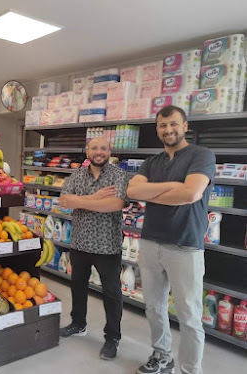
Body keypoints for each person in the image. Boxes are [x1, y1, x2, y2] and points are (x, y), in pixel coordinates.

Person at [127, 105, 215, 374]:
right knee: (153, 307)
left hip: (185, 245)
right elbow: (132, 190)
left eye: (174, 124)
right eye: (163, 126)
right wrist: (172, 187)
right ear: (157, 130)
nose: (169, 130)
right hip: (151, 242)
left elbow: (190, 195)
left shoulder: (202, 156)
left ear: (185, 126)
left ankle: (190, 369)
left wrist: (152, 193)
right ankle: (162, 355)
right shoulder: (152, 162)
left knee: (188, 316)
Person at [58, 137, 128, 360]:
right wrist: (94, 198)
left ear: (109, 151)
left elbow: (115, 204)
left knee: (112, 293)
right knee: (78, 286)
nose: (99, 152)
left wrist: (82, 200)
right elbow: (64, 202)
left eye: (103, 148)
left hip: (108, 245)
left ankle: (112, 337)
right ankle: (78, 324)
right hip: (80, 243)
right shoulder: (77, 175)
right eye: (94, 148)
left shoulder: (118, 175)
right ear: (87, 150)